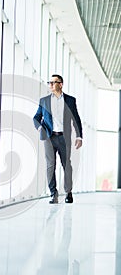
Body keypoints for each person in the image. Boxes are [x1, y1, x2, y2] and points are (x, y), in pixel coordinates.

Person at [33, 74, 83, 203]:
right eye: (49, 82)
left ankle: (68, 192)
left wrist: (79, 136)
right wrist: (40, 128)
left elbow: (76, 119)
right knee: (50, 166)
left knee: (67, 165)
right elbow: (36, 118)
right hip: (49, 137)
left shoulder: (70, 100)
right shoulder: (44, 101)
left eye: (53, 82)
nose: (50, 84)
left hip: (64, 138)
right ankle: (53, 194)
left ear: (60, 84)